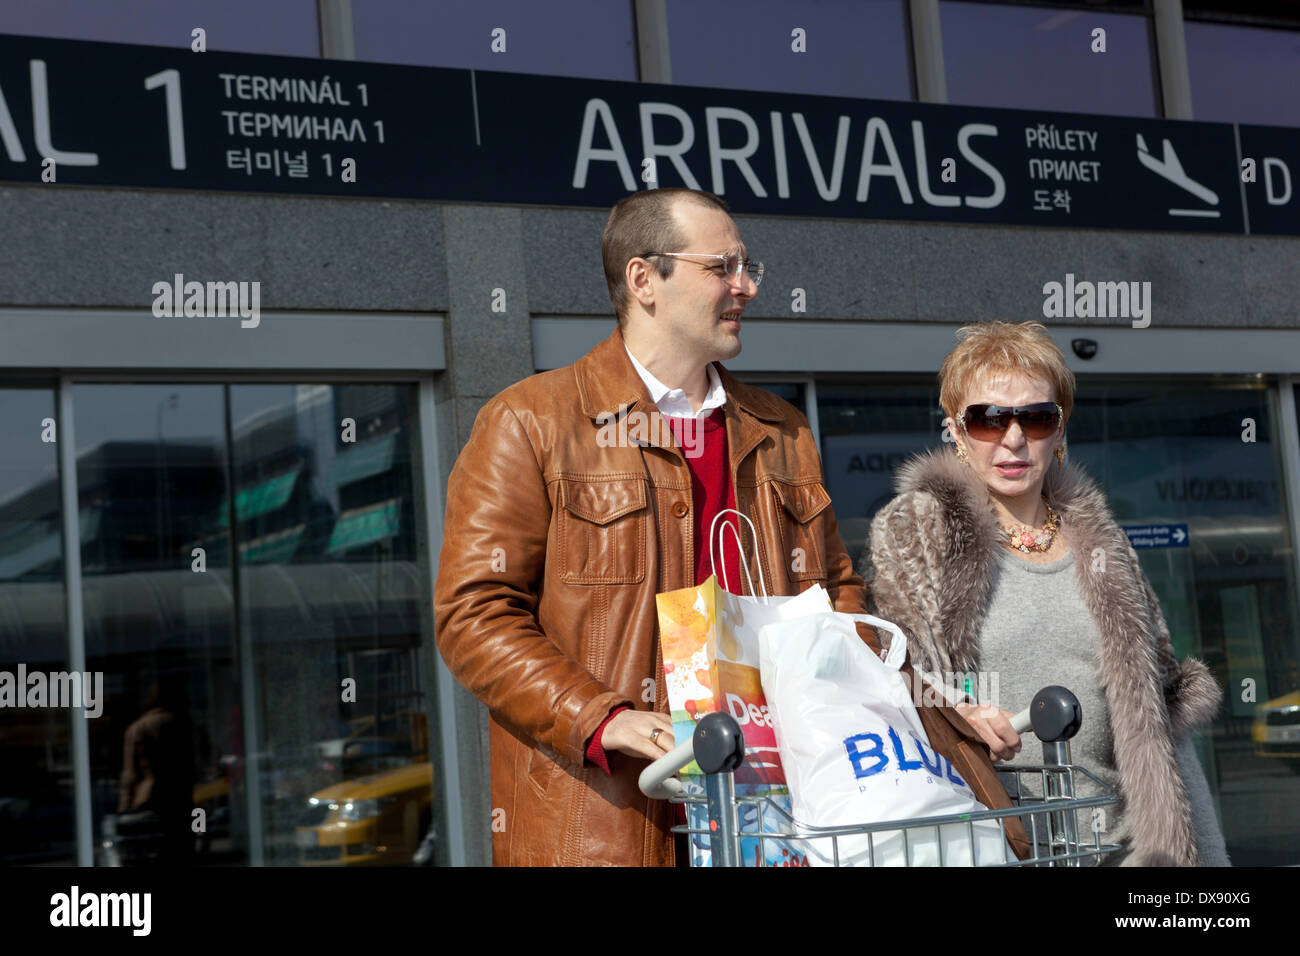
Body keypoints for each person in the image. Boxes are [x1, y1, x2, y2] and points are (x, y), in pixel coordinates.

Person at [433, 187, 868, 866]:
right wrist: (599, 717)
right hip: (607, 823)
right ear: (644, 279)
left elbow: (837, 589)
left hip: (777, 815)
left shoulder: (783, 429)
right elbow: (473, 614)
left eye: (748, 267)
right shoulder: (532, 422)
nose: (746, 287)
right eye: (721, 268)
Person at [861, 320, 1230, 866]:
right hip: (998, 844)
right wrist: (956, 710)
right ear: (957, 434)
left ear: (1060, 432)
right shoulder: (917, 536)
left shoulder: (1106, 547)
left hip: (1126, 850)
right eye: (987, 419)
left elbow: (1165, 722)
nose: (1013, 438)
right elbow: (898, 687)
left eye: (1035, 417)